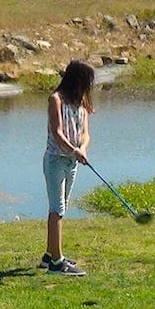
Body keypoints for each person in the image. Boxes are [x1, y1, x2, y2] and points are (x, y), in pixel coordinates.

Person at [39, 60, 95, 276]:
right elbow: (57, 132)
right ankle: (57, 262)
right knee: (57, 209)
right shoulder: (56, 99)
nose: (88, 86)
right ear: (75, 79)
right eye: (86, 81)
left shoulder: (81, 103)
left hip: (72, 162)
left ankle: (49, 255)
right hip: (56, 160)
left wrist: (83, 148)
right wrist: (73, 150)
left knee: (61, 208)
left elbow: (85, 133)